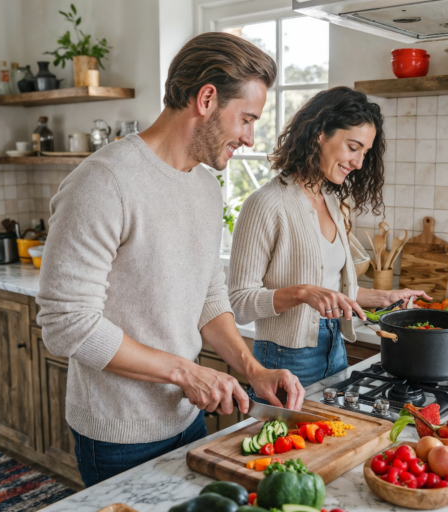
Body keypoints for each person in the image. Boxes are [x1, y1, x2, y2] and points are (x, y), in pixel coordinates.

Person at [37, 32, 304, 487]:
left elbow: (207, 294)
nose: (248, 136)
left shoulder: (205, 186)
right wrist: (186, 372)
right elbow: (66, 323)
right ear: (206, 99)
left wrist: (252, 370)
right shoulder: (104, 183)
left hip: (187, 419)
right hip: (119, 435)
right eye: (246, 119)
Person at [228, 86, 431, 388]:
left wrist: (384, 298)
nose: (360, 163)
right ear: (320, 134)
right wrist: (300, 293)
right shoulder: (267, 204)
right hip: (285, 358)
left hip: (335, 350)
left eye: (366, 152)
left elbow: (331, 291)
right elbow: (239, 302)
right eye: (353, 147)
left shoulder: (332, 201)